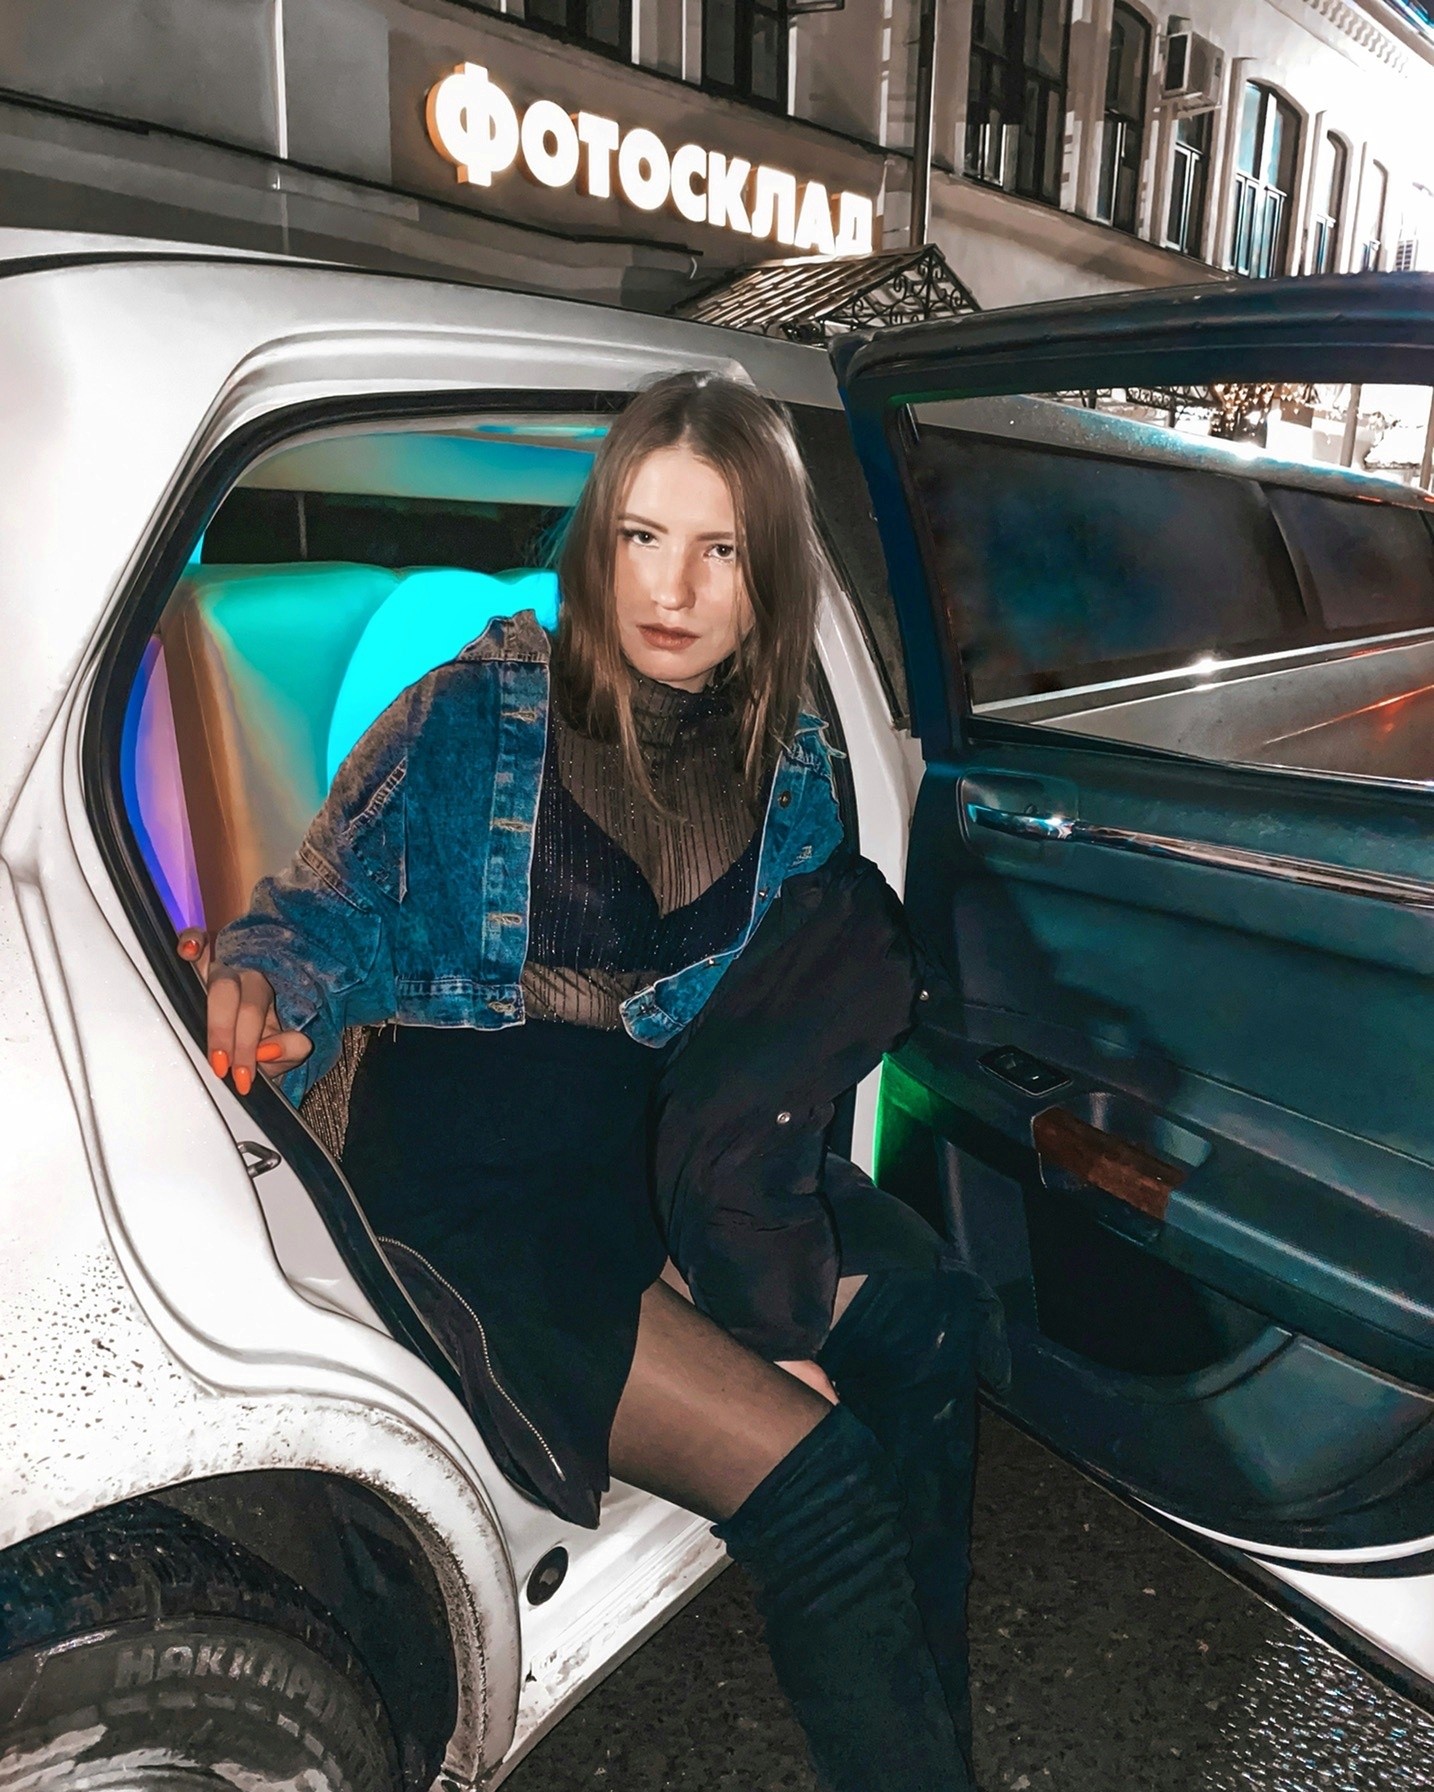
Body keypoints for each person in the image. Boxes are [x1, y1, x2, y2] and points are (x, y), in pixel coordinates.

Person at [204, 372, 1001, 1792]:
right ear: (597, 543)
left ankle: (927, 1727)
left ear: (768, 576)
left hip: (656, 1151)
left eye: (718, 550)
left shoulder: (788, 768)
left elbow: (763, 1048)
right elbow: (320, 914)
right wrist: (267, 983)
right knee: (814, 1481)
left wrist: (744, 1270)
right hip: (478, 1172)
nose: (670, 589)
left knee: (934, 1314)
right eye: (641, 537)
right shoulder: (468, 712)